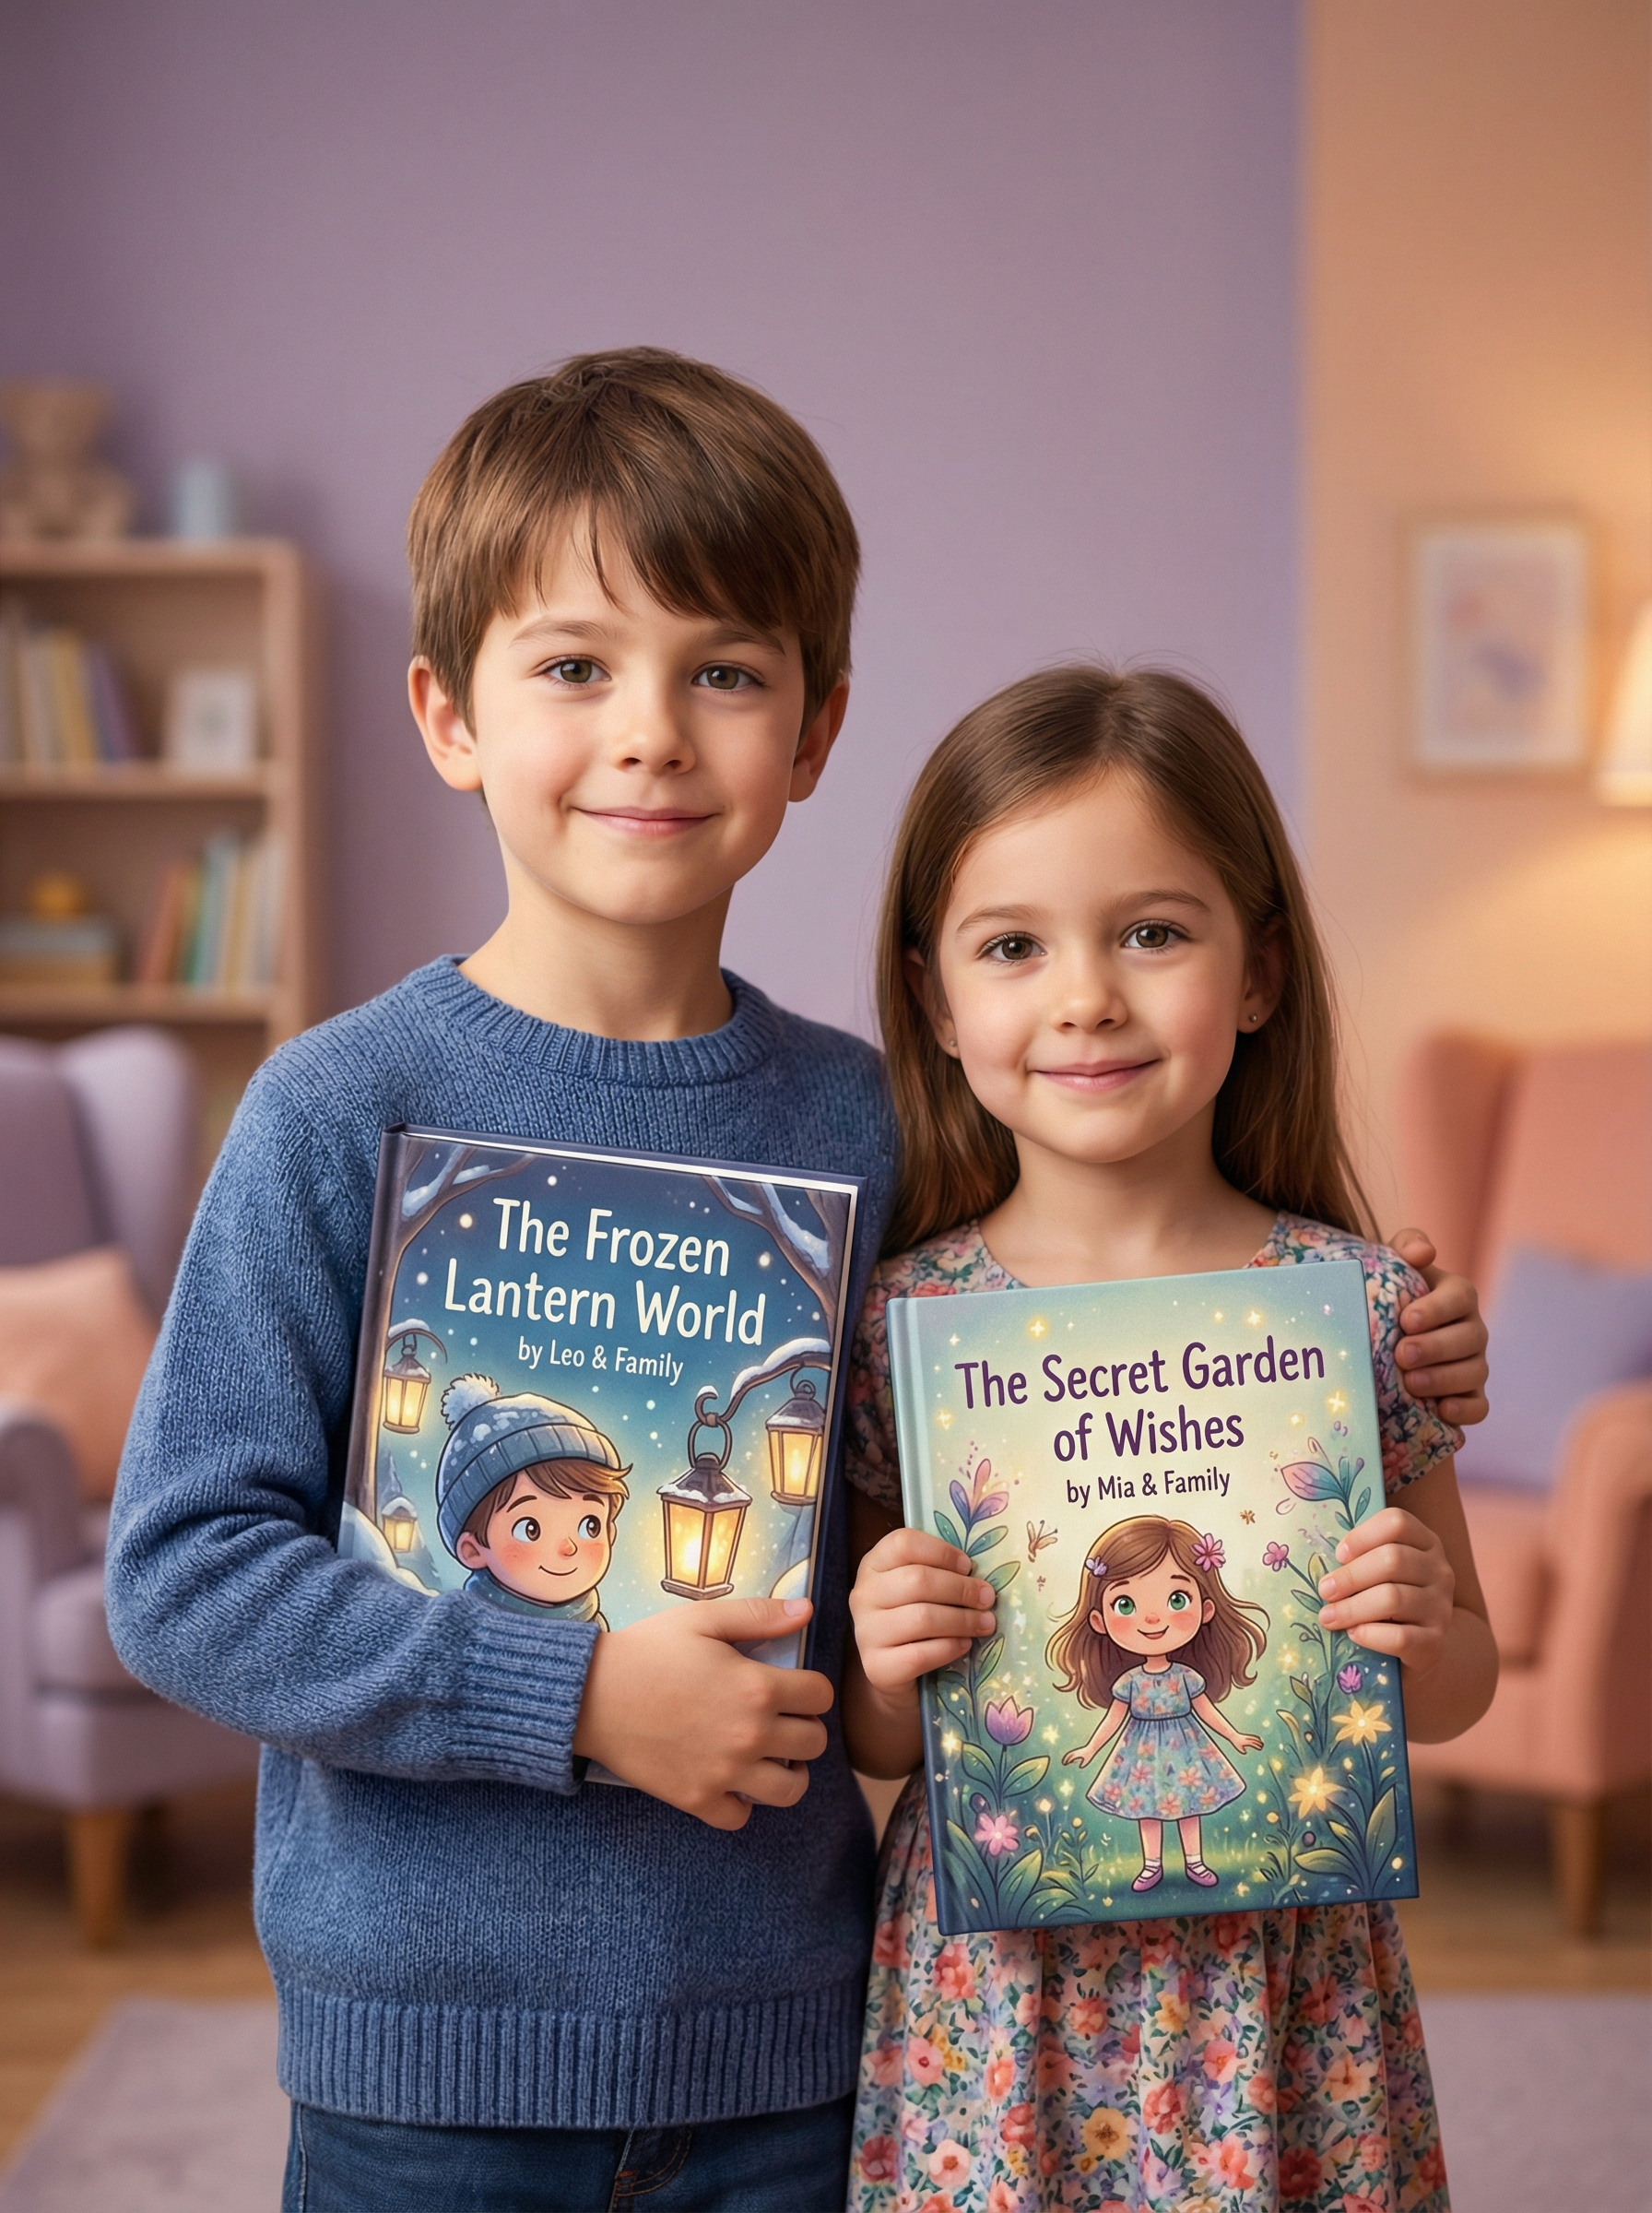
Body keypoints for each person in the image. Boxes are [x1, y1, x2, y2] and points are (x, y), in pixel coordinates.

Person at [104, 355, 1489, 2213]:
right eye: (574, 665)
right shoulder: (340, 1107)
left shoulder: (868, 1126)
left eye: (723, 672)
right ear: (447, 713)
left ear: (814, 732)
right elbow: (187, 1576)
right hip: (419, 2064)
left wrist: (1373, 1357)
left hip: (791, 2048)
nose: (653, 732)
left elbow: (1073, 1335)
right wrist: (578, 1696)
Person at [843, 665, 1498, 2213]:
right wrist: (882, 1655)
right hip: (997, 2012)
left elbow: (1460, 1689)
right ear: (939, 1003)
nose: (1086, 996)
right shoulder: (900, 1330)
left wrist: (1419, 1622)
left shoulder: (1356, 1311)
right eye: (1014, 947)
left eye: (1153, 931)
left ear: (1257, 971)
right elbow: (885, 1750)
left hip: (1285, 1995)